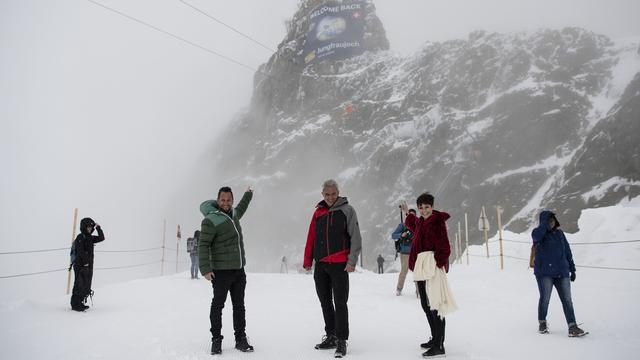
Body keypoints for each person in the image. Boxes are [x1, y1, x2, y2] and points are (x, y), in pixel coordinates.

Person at [304, 179, 362, 358]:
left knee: (340, 302)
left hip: (339, 265)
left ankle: (342, 340)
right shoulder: (318, 213)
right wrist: (308, 260)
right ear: (322, 195)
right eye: (327, 194)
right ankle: (331, 335)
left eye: (333, 194)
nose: (330, 197)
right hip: (321, 265)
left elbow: (356, 237)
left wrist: (352, 261)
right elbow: (311, 237)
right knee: (325, 301)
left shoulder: (347, 210)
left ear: (338, 193)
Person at [199, 186, 254, 355]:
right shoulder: (210, 219)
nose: (226, 203)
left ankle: (240, 339)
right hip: (221, 271)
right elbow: (203, 245)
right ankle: (216, 340)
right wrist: (206, 269)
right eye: (222, 200)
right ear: (217, 201)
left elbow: (242, 207)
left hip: (238, 270)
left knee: (239, 306)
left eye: (229, 200)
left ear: (232, 200)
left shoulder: (234, 215)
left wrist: (248, 194)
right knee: (218, 306)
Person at [402, 193, 451, 358]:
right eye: (421, 208)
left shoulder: (437, 222)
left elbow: (444, 246)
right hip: (421, 267)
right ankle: (434, 338)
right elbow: (413, 224)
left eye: (426, 207)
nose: (423, 210)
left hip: (432, 267)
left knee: (435, 305)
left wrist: (437, 264)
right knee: (426, 304)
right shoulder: (422, 221)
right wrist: (408, 212)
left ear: (432, 206)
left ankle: (439, 345)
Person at [532, 210, 586, 337]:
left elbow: (567, 251)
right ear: (544, 222)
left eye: (553, 220)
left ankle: (572, 327)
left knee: (567, 300)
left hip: (562, 272)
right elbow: (536, 237)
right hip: (545, 273)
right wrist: (544, 226)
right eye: (549, 220)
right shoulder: (538, 233)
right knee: (545, 299)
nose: (552, 222)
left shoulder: (560, 234)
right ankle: (542, 322)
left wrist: (572, 269)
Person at [70, 217, 105, 312]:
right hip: (80, 265)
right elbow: (81, 252)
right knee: (79, 283)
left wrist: (98, 228)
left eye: (90, 227)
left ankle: (80, 302)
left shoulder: (90, 238)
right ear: (83, 227)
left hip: (87, 265)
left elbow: (102, 238)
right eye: (88, 227)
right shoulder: (80, 237)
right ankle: (75, 304)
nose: (89, 229)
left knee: (86, 284)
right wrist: (85, 263)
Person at [391, 208, 416, 295]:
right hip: (404, 252)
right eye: (410, 215)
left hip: (415, 252)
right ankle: (399, 289)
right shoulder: (402, 226)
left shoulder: (417, 225)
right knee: (404, 270)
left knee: (417, 271)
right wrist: (401, 235)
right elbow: (393, 235)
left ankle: (419, 291)